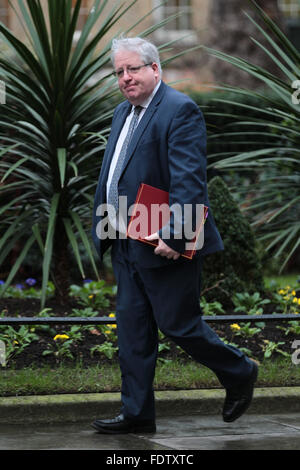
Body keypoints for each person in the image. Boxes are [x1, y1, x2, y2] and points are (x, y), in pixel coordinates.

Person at [91, 37, 258, 434]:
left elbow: (189, 180)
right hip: (125, 239)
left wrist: (177, 235)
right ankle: (136, 415)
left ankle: (239, 371)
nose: (126, 78)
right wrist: (105, 228)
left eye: (133, 69)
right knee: (132, 332)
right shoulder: (122, 112)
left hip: (165, 242)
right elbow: (114, 175)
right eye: (119, 72)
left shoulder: (179, 109)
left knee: (179, 325)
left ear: (154, 69)